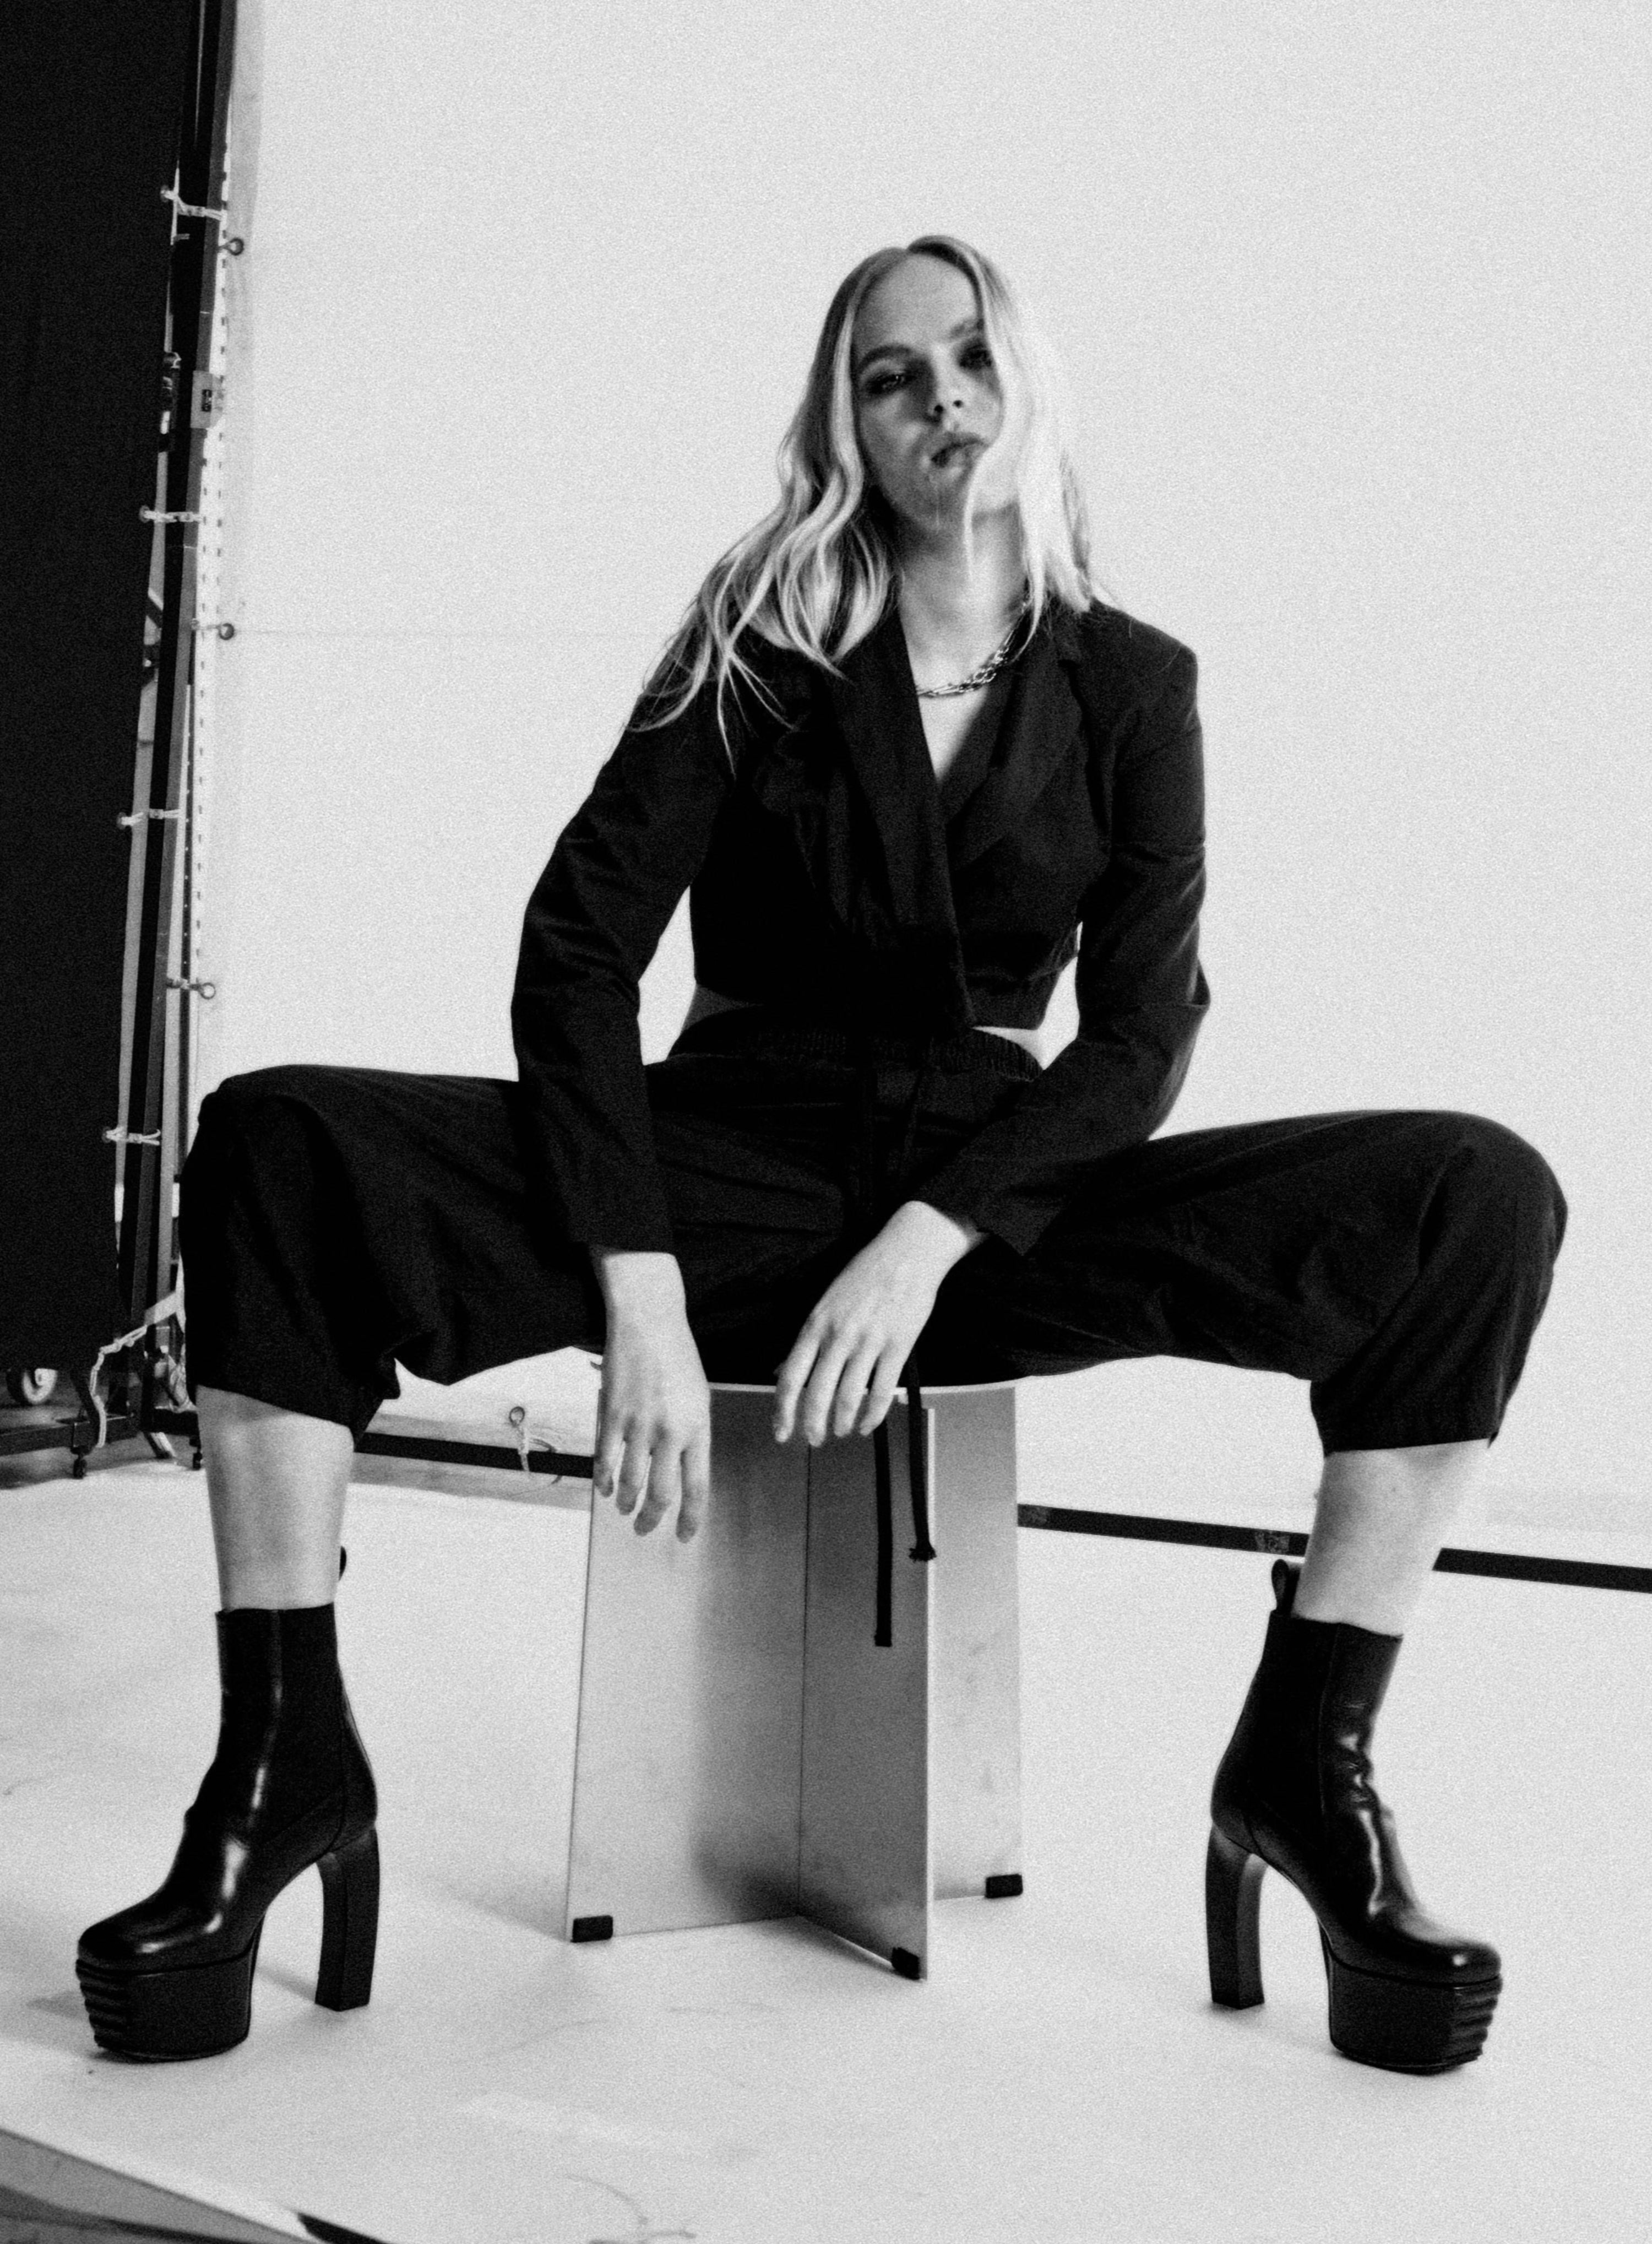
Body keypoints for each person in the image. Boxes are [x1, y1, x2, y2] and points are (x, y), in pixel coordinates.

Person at [75, 236, 1566, 2075]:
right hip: (724, 1170)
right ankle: (281, 1756)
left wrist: (932, 1235)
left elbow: (1140, 1035)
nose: (943, 398)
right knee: (279, 1139)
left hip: (990, 1211)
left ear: (1028, 383)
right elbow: (578, 949)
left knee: (1474, 1196)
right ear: (846, 424)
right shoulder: (764, 633)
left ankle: (1309, 1761)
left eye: (972, 357)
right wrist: (637, 1284)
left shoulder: (1133, 682)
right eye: (891, 373)